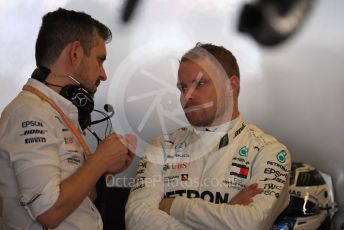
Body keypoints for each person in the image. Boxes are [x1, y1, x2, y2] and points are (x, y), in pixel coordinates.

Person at [125, 43, 291, 230]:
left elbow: (252, 223)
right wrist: (227, 213)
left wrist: (172, 205)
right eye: (182, 87)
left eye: (200, 84)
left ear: (232, 86)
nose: (187, 96)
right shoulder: (161, 147)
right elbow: (137, 220)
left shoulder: (269, 152)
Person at [0, 8, 136, 230]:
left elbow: (75, 199)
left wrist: (104, 170)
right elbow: (49, 211)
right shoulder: (30, 113)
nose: (103, 74)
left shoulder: (53, 111)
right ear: (75, 53)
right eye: (100, 60)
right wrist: (100, 160)